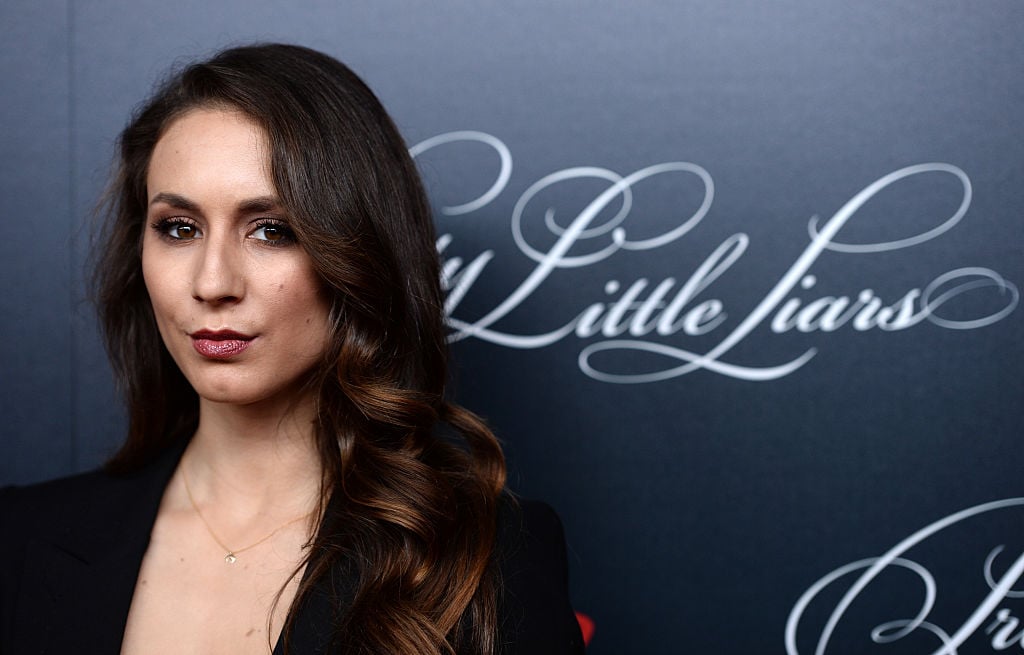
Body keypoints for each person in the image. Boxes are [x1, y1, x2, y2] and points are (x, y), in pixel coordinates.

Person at [0, 43, 584, 654]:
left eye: (271, 230)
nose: (212, 283)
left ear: (357, 254)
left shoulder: (486, 559)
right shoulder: (21, 539)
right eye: (179, 228)